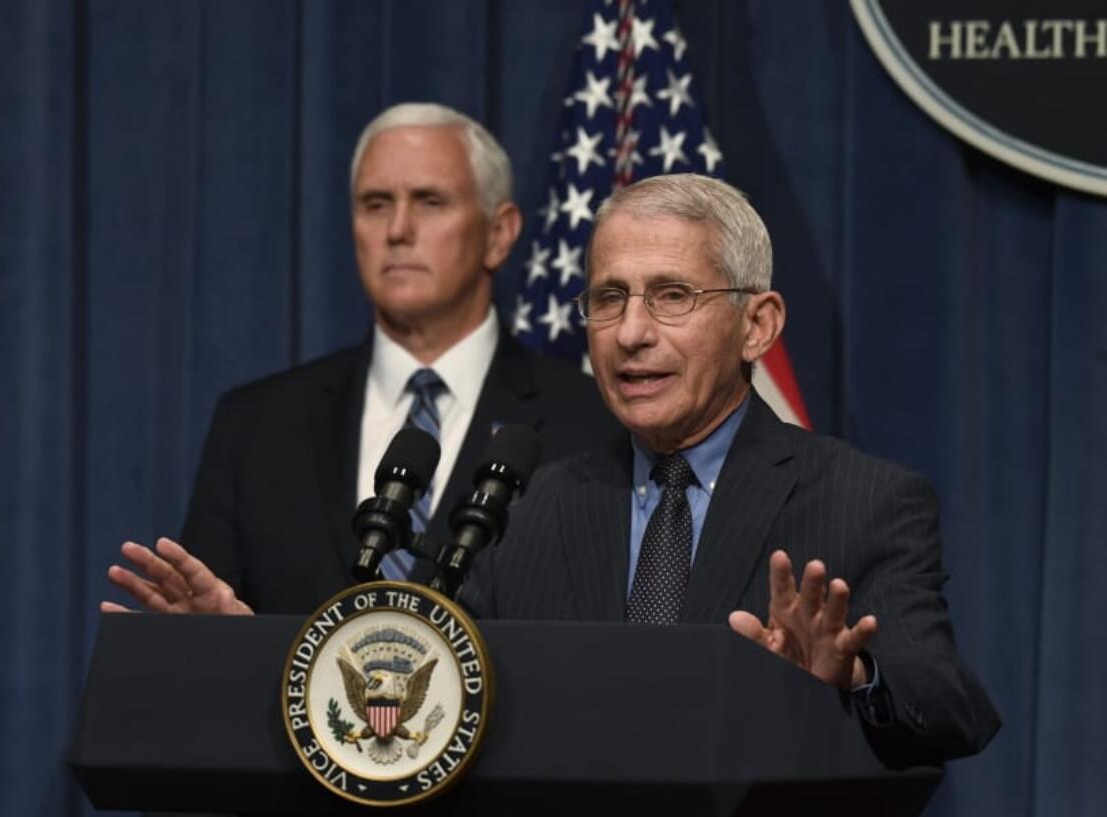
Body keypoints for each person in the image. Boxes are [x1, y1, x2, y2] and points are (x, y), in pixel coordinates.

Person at [460, 173, 1000, 764]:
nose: (632, 334)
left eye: (672, 296)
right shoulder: (530, 509)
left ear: (757, 326)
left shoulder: (865, 500)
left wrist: (854, 675)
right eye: (609, 299)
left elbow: (949, 705)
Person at [101, 102, 617, 616]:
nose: (397, 229)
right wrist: (221, 643)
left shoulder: (592, 420)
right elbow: (211, 637)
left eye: (430, 201)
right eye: (375, 204)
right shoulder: (255, 423)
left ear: (499, 234)